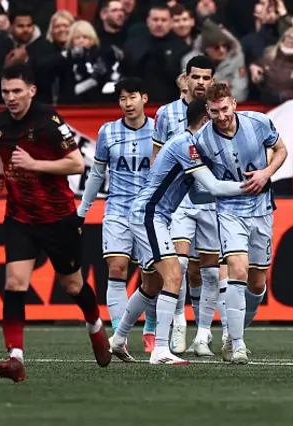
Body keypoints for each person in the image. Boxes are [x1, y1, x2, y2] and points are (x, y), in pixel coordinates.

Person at [0, 62, 111, 382]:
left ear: (32, 91)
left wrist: (33, 163)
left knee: (72, 285)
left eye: (17, 91)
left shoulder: (49, 121)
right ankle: (15, 357)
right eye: (5, 91)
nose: (10, 97)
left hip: (58, 217)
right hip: (19, 217)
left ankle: (96, 326)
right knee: (14, 283)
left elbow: (75, 164)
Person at [110, 96, 249, 365]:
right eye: (215, 118)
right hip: (149, 215)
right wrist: (253, 185)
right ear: (206, 120)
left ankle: (118, 339)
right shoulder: (188, 145)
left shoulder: (188, 144)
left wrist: (229, 193)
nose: (222, 123)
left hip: (152, 215)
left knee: (151, 284)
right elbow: (215, 187)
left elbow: (199, 196)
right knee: (174, 275)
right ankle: (160, 350)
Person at [194, 83, 288, 364]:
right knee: (237, 269)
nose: (221, 116)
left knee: (257, 283)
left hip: (262, 210)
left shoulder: (258, 121)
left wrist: (266, 173)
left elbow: (281, 150)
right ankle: (238, 345)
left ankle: (232, 334)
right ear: (207, 111)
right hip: (229, 211)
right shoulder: (201, 141)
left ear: (233, 104)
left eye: (224, 109)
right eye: (214, 112)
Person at [152, 55, 228, 356]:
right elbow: (157, 159)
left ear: (213, 81)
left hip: (210, 201)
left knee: (207, 273)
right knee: (180, 265)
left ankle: (204, 333)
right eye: (195, 77)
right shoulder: (166, 114)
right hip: (178, 201)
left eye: (205, 78)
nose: (200, 82)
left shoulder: (221, 114)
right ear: (186, 79)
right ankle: (179, 322)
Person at [77, 76, 156, 356]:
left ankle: (151, 332)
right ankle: (120, 338)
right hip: (118, 210)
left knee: (153, 277)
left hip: (150, 212)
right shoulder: (108, 132)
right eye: (122, 98)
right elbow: (97, 174)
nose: (127, 103)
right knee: (116, 269)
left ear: (144, 98)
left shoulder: (159, 131)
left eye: (132, 96)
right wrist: (82, 211)